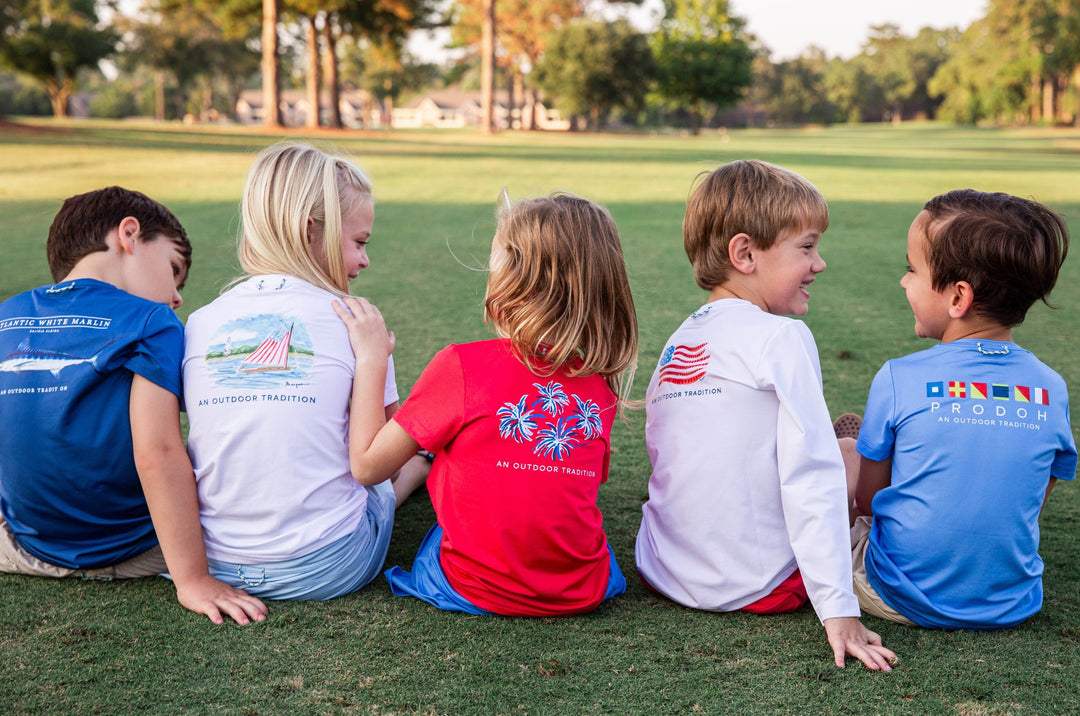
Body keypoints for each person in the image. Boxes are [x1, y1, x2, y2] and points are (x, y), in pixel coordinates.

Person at [635, 160, 896, 671]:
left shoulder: (678, 341)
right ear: (745, 253)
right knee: (843, 454)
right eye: (806, 247)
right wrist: (838, 608)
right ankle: (857, 501)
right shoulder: (781, 336)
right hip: (759, 585)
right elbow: (809, 474)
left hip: (665, 571)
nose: (819, 263)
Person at [332, 191, 639, 617]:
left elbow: (366, 466)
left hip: (473, 588)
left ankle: (422, 466)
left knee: (441, 524)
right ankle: (423, 464)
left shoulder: (461, 365)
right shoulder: (600, 387)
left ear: (511, 276)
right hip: (582, 590)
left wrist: (371, 359)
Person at [0, 186, 267, 626]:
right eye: (173, 268)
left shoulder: (8, 314)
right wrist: (193, 579)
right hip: (133, 547)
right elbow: (157, 452)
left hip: (29, 546)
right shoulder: (150, 320)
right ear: (129, 235)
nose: (177, 297)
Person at [182, 142, 428, 601]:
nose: (365, 261)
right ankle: (421, 473)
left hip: (212, 561)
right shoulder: (356, 322)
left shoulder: (200, 321)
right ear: (309, 229)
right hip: (326, 566)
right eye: (359, 243)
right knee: (396, 468)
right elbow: (381, 455)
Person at [852, 189, 1077, 630]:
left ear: (958, 298)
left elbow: (867, 501)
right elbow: (1031, 500)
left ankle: (859, 439)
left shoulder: (899, 376)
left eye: (911, 270)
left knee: (843, 453)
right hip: (1011, 604)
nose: (903, 281)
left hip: (896, 594)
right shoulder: (1053, 388)